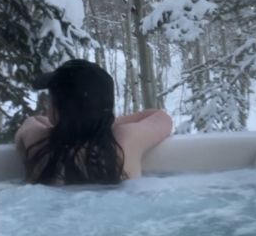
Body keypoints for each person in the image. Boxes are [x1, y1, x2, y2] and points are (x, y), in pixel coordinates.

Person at [14, 58, 173, 184]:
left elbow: (34, 121)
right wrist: (102, 121)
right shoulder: (125, 142)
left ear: (56, 110)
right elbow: (160, 117)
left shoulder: (37, 141)